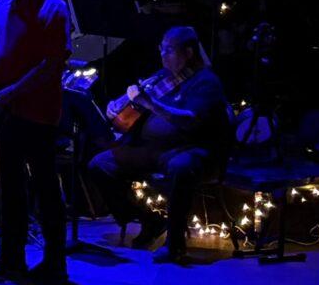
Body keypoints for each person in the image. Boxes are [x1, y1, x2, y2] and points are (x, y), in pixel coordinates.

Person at [87, 25, 232, 264]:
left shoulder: (206, 82)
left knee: (181, 167)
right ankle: (149, 220)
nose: (163, 55)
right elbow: (137, 107)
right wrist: (119, 107)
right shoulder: (164, 77)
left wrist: (151, 103)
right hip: (153, 149)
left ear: (189, 53)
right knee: (99, 164)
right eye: (161, 49)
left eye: (169, 50)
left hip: (189, 148)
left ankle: (175, 245)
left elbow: (189, 120)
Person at [0, 0, 73, 285]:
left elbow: (50, 65)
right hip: (4, 112)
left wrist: (4, 95)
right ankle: (11, 258)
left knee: (45, 188)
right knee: (10, 189)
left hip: (38, 114)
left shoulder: (54, 9)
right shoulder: (0, 4)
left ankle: (54, 262)